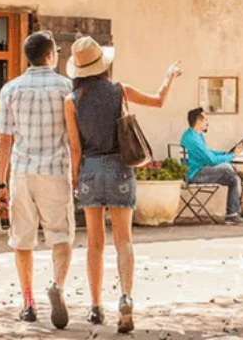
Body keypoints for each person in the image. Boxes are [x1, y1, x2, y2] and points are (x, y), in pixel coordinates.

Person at [62, 36, 181, 334]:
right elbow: (158, 100)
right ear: (102, 65)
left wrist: (76, 179)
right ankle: (126, 297)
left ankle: (95, 305)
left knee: (94, 243)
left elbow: (74, 149)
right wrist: (167, 77)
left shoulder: (71, 100)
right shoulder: (119, 90)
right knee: (124, 241)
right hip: (119, 168)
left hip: (90, 168)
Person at [0, 31, 75, 329]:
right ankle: (57, 286)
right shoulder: (67, 87)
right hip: (55, 171)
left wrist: (0, 184)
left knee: (22, 240)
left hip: (22, 173)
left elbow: (3, 140)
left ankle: (27, 302)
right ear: (51, 55)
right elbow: (75, 138)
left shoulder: (11, 89)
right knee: (61, 236)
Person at [180, 108, 243, 224]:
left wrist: (225, 154)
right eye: (206, 120)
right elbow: (211, 160)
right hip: (195, 174)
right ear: (199, 122)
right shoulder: (193, 139)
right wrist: (232, 156)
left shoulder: (194, 135)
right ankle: (232, 215)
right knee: (228, 170)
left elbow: (207, 152)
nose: (208, 123)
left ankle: (232, 214)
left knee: (234, 178)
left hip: (198, 170)